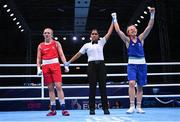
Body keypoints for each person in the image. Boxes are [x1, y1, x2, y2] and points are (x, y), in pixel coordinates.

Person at [111, 7, 155, 114]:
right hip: (132, 65)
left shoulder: (141, 38)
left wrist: (152, 14)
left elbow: (149, 27)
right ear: (128, 32)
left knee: (140, 86)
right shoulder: (127, 40)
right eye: (131, 29)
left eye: (134, 28)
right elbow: (118, 31)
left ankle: (139, 107)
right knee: (131, 83)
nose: (133, 29)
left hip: (142, 64)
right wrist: (114, 18)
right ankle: (131, 106)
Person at [65, 22, 114, 115]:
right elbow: (78, 54)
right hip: (91, 66)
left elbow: (109, 32)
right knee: (92, 88)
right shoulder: (86, 45)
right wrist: (69, 62)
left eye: (96, 33)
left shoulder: (102, 41)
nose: (94, 35)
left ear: (98, 35)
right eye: (93, 33)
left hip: (101, 66)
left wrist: (113, 21)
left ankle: (105, 108)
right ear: (90, 36)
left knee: (103, 88)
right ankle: (92, 109)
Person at [36, 28, 70, 116]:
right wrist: (38, 68)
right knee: (50, 88)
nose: (46, 34)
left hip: (55, 65)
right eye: (45, 33)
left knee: (58, 86)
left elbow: (61, 55)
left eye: (48, 33)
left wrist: (65, 65)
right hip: (45, 66)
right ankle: (53, 110)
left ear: (51, 34)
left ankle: (63, 109)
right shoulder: (40, 45)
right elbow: (38, 58)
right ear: (43, 34)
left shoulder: (56, 43)